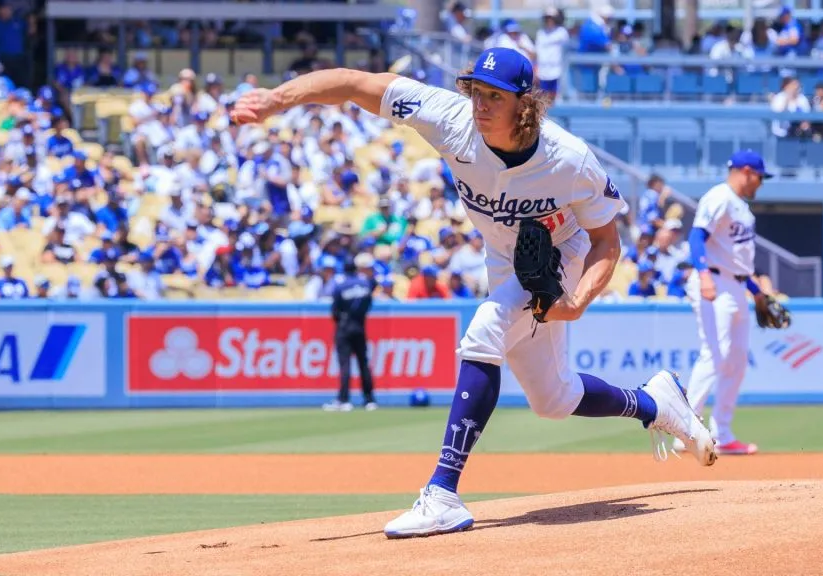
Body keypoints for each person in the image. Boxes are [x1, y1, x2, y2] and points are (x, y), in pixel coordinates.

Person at [231, 46, 717, 539]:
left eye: (494, 96)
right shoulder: (449, 118)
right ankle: (655, 404)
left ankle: (442, 493)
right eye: (476, 92)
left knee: (485, 330)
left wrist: (576, 303)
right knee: (554, 398)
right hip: (503, 258)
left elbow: (607, 241)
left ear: (524, 104)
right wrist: (277, 98)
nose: (480, 104)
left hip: (559, 253)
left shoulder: (568, 159)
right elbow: (356, 83)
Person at [679, 149, 775, 457]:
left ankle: (722, 432)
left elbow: (735, 261)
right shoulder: (719, 197)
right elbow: (696, 238)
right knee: (714, 355)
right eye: (759, 177)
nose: (760, 183)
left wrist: (756, 291)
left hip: (734, 285)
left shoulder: (742, 208)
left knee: (736, 361)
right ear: (747, 171)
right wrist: (704, 274)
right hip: (714, 282)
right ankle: (685, 430)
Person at [323, 252, 377, 412]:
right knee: (363, 364)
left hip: (344, 328)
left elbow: (334, 311)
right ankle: (369, 399)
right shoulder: (365, 285)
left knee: (345, 364)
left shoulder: (340, 286)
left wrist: (341, 320)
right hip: (360, 326)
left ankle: (344, 399)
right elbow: (368, 304)